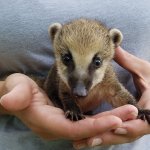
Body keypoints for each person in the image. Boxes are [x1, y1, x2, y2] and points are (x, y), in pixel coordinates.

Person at [0, 0, 150, 150]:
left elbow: (117, 94)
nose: (80, 89)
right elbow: (65, 93)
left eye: (96, 63)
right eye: (67, 60)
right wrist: (6, 95)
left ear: (114, 43)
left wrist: (140, 111)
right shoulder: (61, 78)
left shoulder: (108, 76)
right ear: (54, 36)